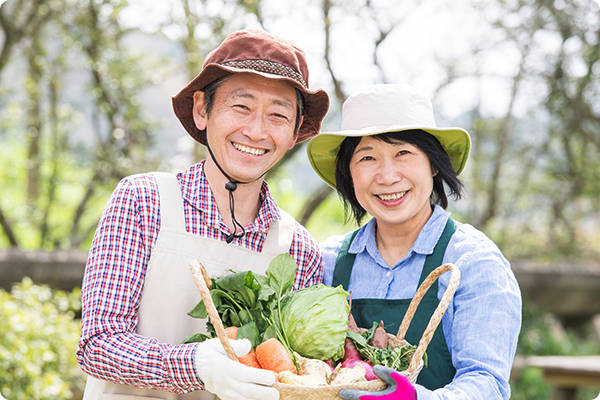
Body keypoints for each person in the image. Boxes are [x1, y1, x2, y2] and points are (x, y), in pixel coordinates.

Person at [77, 29, 330, 400]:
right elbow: (98, 344)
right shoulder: (143, 201)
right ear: (202, 110)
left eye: (278, 115)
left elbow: (299, 375)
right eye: (241, 107)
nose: (256, 130)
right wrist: (195, 365)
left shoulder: (299, 249)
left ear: (294, 133)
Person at [307, 84, 521, 399]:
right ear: (349, 174)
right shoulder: (326, 263)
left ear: (433, 163)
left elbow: (487, 384)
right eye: (367, 158)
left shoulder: (472, 261)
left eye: (403, 153)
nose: (388, 176)